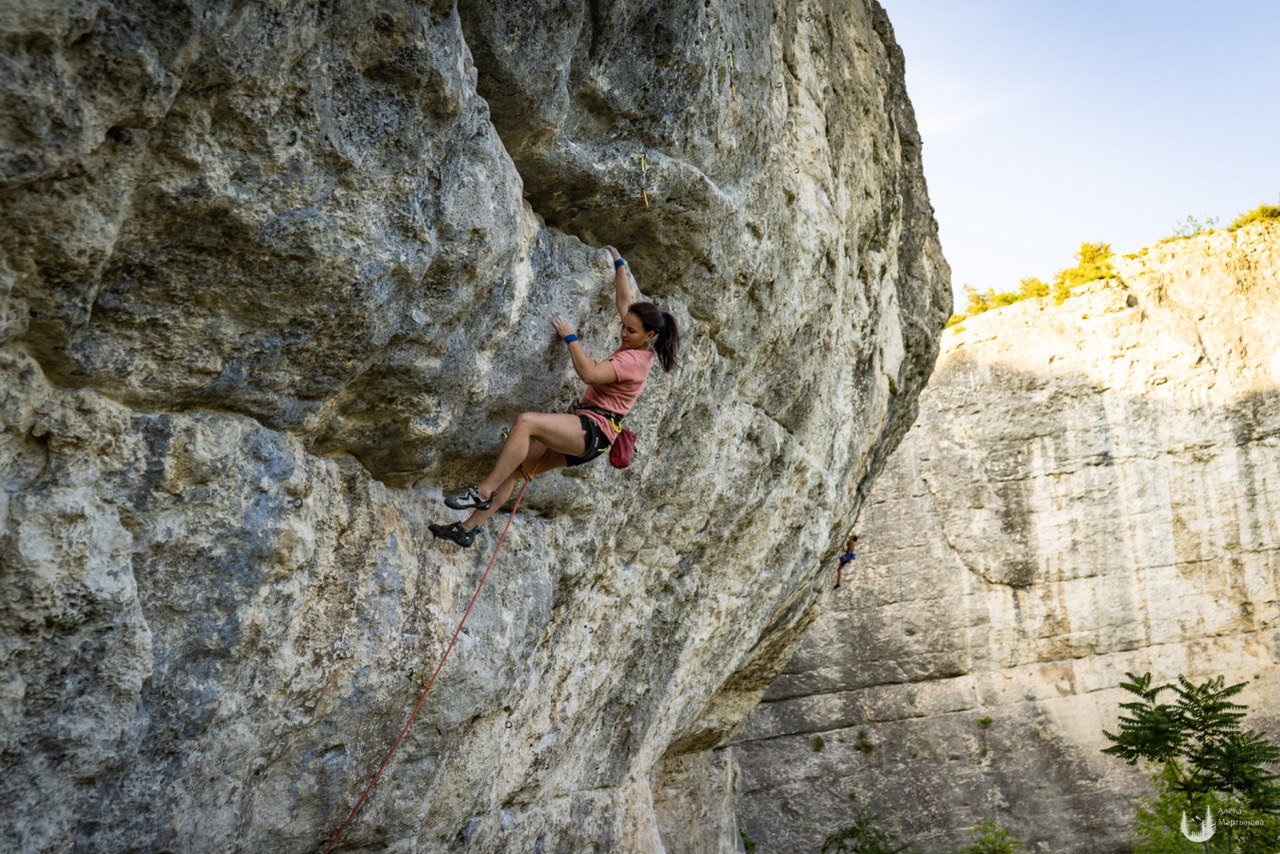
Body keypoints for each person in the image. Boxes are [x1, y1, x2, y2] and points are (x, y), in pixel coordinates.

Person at [429, 245, 681, 547]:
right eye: (623, 327)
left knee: (525, 423)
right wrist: (619, 264)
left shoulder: (633, 362)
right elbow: (624, 301)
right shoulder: (641, 344)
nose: (623, 333)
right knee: (515, 466)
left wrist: (570, 337)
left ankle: (481, 494)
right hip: (593, 432)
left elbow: (589, 373)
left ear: (648, 335)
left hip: (592, 431)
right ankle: (468, 529)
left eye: (630, 331)